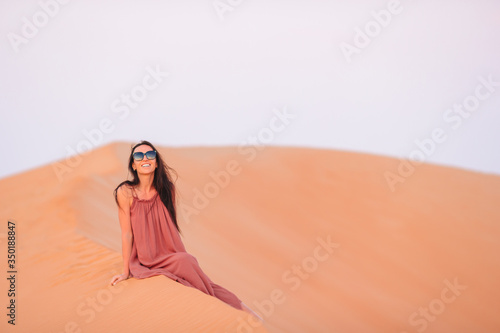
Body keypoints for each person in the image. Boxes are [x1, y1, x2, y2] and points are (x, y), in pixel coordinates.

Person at [109, 140, 261, 321]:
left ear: (156, 162)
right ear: (133, 165)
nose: (145, 159)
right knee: (189, 265)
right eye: (139, 156)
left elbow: (166, 226)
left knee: (194, 268)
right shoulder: (125, 192)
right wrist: (126, 271)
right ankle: (223, 311)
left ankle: (243, 313)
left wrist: (174, 253)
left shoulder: (166, 190)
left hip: (170, 252)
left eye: (150, 155)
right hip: (145, 258)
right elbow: (127, 233)